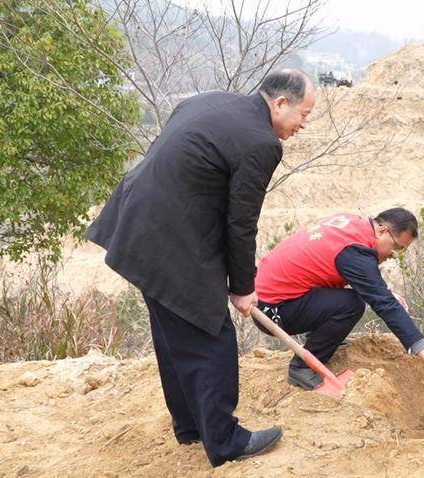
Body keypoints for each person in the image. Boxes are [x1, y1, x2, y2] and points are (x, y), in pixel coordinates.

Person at [85, 69, 316, 466]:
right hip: (171, 240)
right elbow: (241, 223)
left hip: (137, 225)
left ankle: (192, 425)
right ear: (280, 104)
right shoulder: (261, 142)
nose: (303, 125)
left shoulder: (209, 100)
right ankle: (225, 442)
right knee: (212, 336)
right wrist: (243, 286)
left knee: (174, 331)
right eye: (303, 114)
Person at [254, 209, 424, 389]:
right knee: (351, 305)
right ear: (382, 231)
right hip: (273, 312)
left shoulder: (352, 225)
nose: (393, 256)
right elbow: (384, 304)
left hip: (270, 296)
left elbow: (350, 271)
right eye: (396, 248)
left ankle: (323, 339)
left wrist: (382, 291)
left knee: (354, 298)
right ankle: (302, 367)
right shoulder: (355, 252)